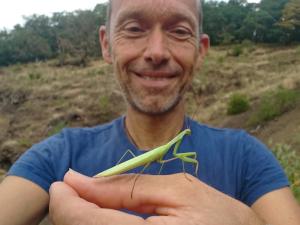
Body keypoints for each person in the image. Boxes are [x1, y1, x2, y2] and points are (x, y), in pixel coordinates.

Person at [0, 0, 299, 224]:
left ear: (201, 50)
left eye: (179, 31)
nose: (156, 52)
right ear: (106, 45)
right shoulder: (55, 156)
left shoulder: (247, 157)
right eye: (133, 28)